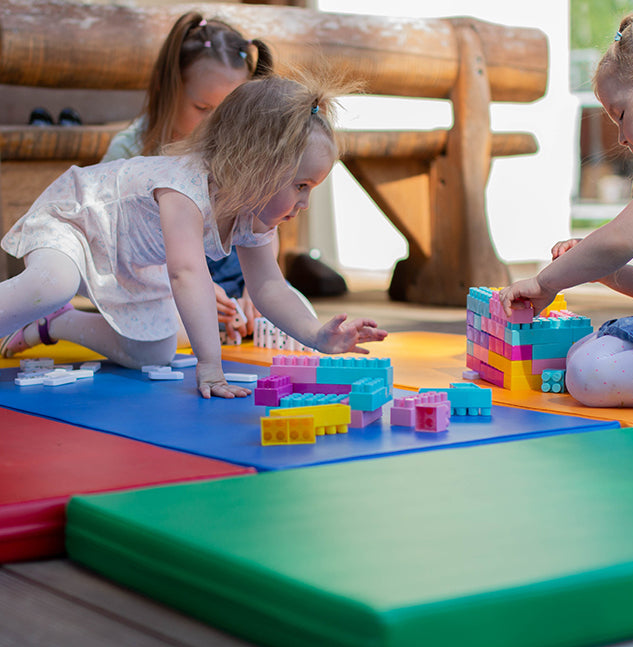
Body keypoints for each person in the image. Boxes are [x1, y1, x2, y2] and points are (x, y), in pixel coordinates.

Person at [0, 75, 388, 399]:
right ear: (255, 165)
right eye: (301, 185)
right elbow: (186, 273)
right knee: (52, 284)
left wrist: (315, 334)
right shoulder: (183, 189)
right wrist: (210, 365)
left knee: (152, 350)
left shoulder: (253, 217)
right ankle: (48, 305)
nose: (304, 202)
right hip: (76, 222)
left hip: (126, 258)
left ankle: (55, 324)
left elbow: (269, 286)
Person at [499, 0, 633, 408]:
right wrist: (606, 274)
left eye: (621, 114)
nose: (621, 137)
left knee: (590, 372)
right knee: (582, 355)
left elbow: (620, 238)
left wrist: (545, 283)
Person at [102, 11, 274, 342]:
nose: (216, 125)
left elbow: (263, 228)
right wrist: (191, 289)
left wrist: (257, 291)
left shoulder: (240, 148)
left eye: (228, 112)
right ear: (170, 90)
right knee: (171, 336)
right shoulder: (132, 149)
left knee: (295, 315)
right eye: (202, 108)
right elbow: (112, 244)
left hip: (233, 281)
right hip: (158, 282)